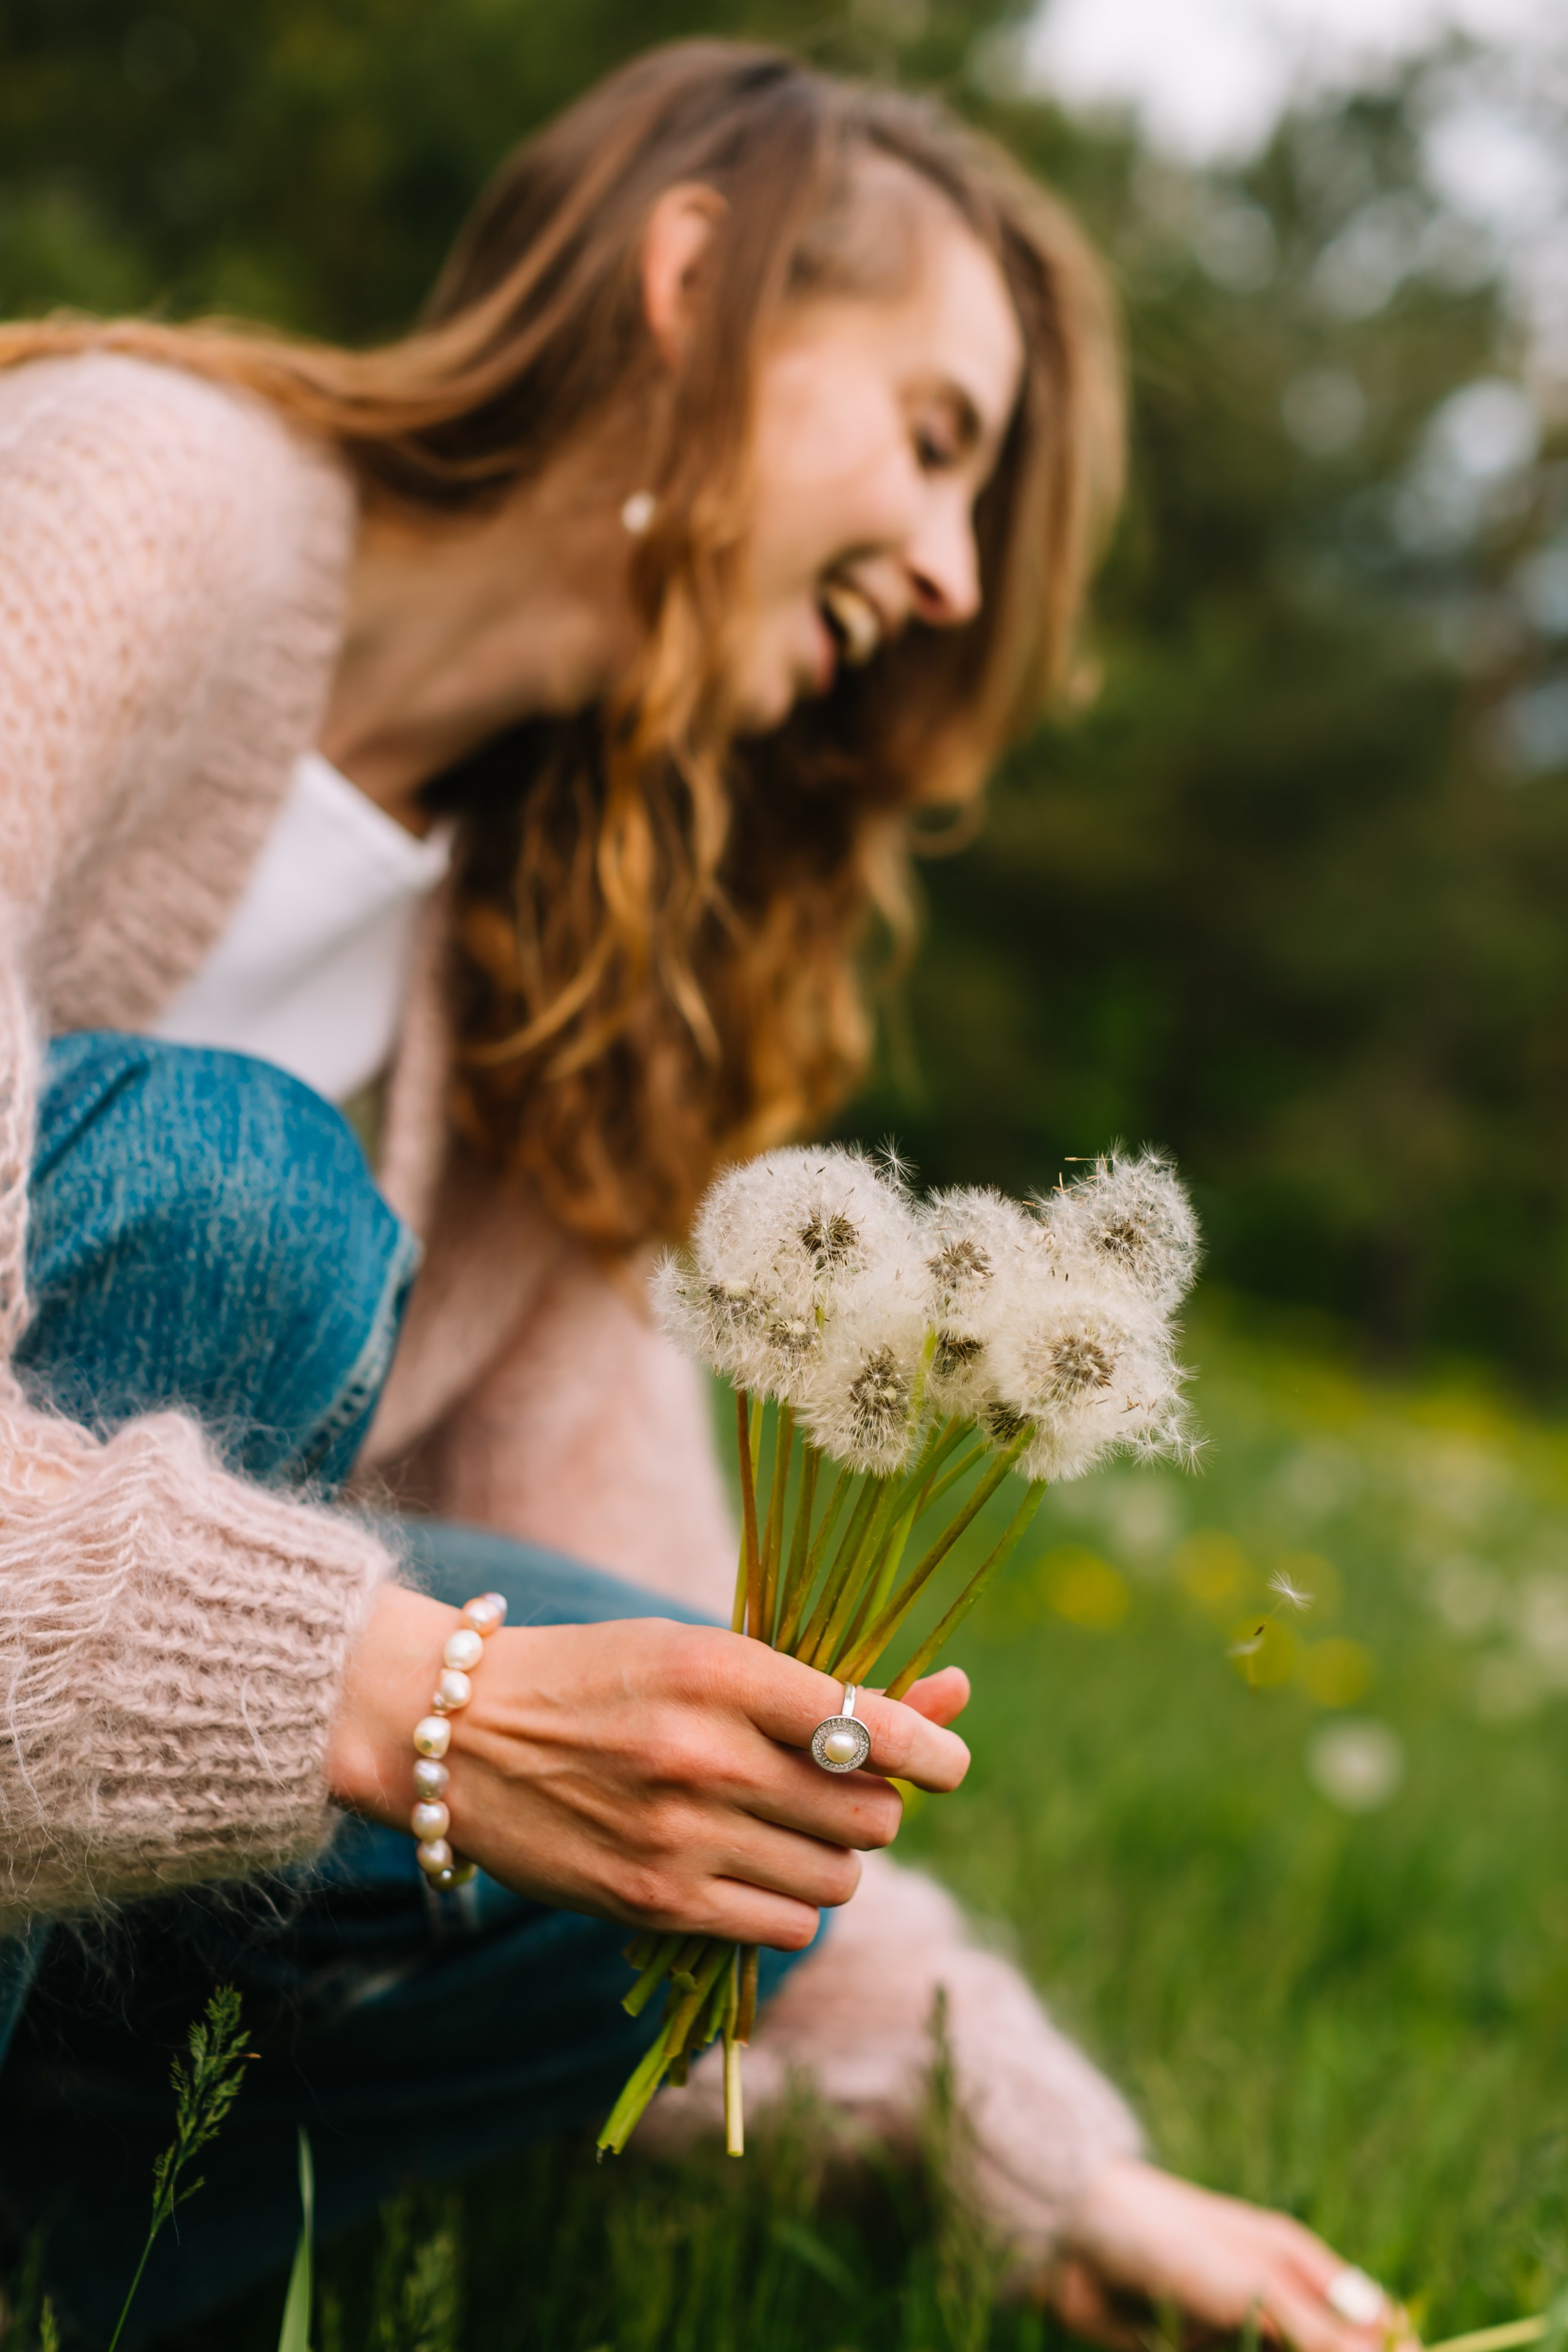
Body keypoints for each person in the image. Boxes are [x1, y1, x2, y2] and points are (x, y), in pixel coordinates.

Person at [0, 39, 1399, 2345]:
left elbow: (657, 1674)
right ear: (691, 284)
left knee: (731, 1812)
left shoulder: (544, 985)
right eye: (938, 438)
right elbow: (427, 1684)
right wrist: (397, 1696)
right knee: (247, 1210)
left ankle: (77, 2272)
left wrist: (1047, 2171)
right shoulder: (140, 503)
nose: (952, 574)